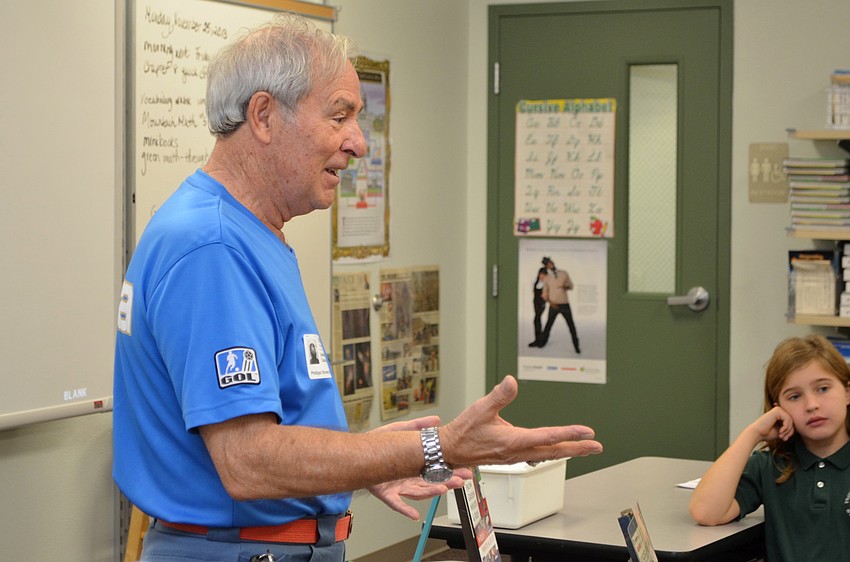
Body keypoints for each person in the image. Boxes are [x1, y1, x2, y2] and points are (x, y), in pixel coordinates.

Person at [112, 14, 603, 562]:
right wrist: (432, 448)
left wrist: (370, 460)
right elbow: (249, 460)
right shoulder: (214, 246)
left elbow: (276, 422)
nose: (359, 144)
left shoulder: (250, 232)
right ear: (265, 115)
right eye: (339, 116)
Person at [689, 334, 850, 562]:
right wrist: (753, 433)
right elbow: (706, 511)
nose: (812, 405)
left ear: (847, 392)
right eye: (794, 397)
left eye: (823, 389)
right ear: (779, 409)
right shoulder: (772, 465)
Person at [529, 257, 580, 353]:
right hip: (553, 305)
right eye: (547, 264)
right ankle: (541, 343)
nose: (549, 265)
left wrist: (564, 286)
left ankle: (576, 346)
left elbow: (571, 286)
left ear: (552, 262)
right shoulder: (547, 278)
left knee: (571, 325)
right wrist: (550, 302)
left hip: (565, 304)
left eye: (550, 262)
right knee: (548, 325)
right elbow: (544, 293)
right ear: (546, 266)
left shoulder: (564, 273)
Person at [529, 266, 548, 346]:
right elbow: (533, 293)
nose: (542, 276)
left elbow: (546, 296)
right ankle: (538, 340)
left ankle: (539, 340)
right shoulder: (534, 282)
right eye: (541, 274)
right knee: (537, 321)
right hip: (535, 303)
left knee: (536, 320)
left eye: (544, 275)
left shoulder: (546, 284)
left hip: (542, 304)